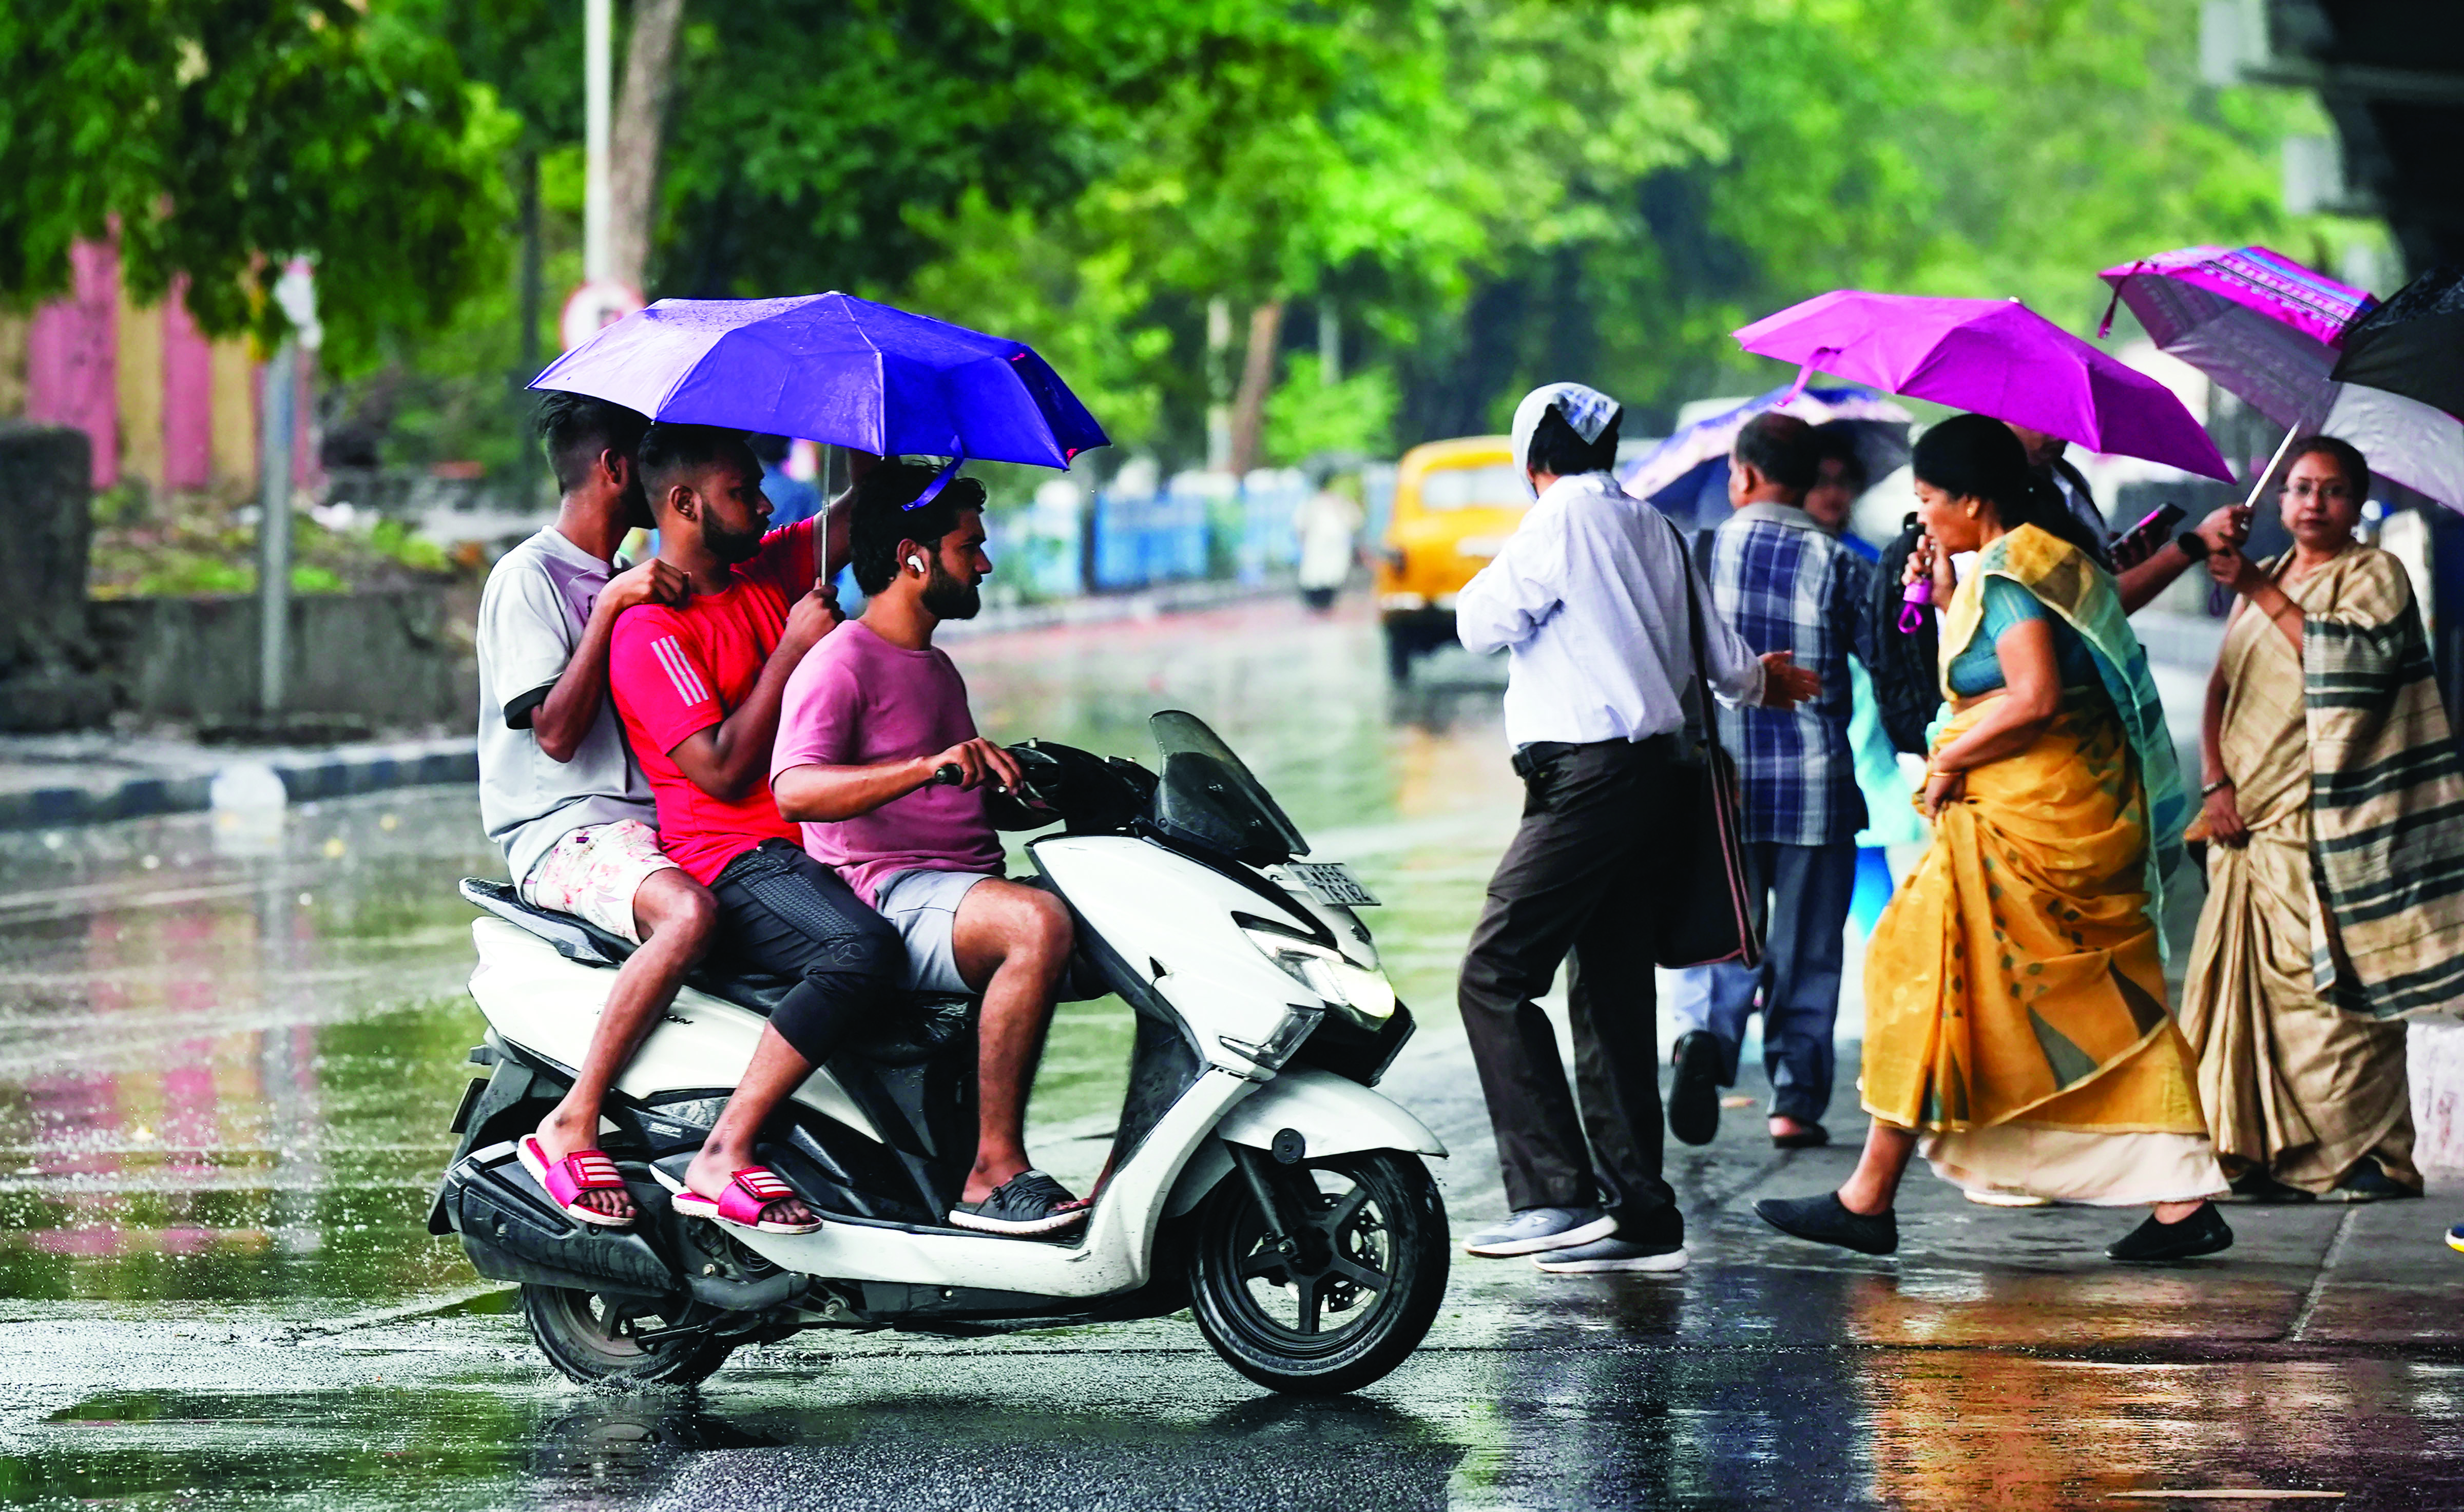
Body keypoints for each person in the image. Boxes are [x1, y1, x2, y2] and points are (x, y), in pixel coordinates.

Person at [1755, 414, 2232, 1264]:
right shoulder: (2039, 563)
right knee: (2037, 994)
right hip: (2048, 819)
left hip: (2029, 825)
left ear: (1971, 500)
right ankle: (2176, 1197)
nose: (1924, 514)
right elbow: (2005, 672)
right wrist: (1946, 604)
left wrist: (1949, 760)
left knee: (1953, 975)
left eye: (1931, 498)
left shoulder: (2014, 574)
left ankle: (1874, 1196)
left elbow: (2035, 694)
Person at [1452, 382, 1820, 1274]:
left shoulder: (1556, 522)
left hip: (1587, 781)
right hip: (1655, 778)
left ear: (1531, 458)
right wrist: (1770, 678)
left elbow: (1476, 625)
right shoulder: (1654, 526)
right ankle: (1641, 1210)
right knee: (1609, 990)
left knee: (1494, 975)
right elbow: (1732, 669)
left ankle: (1554, 1196)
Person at [770, 462, 1090, 1235]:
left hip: (959, 889)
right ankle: (992, 1171)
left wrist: (1015, 793)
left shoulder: (936, 667)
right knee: (1036, 924)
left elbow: (944, 794)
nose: (984, 563)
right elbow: (795, 789)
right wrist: (926, 765)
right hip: (889, 896)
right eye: (969, 546)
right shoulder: (840, 660)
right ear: (915, 555)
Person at [606, 422, 904, 1235]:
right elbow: (719, 769)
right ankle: (724, 1151)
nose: (766, 503)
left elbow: (865, 507)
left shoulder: (774, 567)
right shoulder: (649, 630)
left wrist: (856, 415)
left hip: (816, 841)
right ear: (683, 503)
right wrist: (791, 651)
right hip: (734, 859)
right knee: (864, 951)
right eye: (743, 492)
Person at [2177, 436, 2464, 1203]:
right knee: (2254, 999)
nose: (2313, 502)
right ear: (2278, 500)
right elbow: (2222, 690)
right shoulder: (2263, 576)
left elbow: (2356, 667)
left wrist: (2260, 593)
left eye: (2332, 490)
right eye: (2300, 487)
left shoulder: (2375, 574)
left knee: (2336, 996)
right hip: (2249, 821)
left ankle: (2368, 1154)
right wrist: (2216, 783)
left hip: (2332, 821)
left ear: (2356, 501)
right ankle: (2262, 1147)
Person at [475, 393, 718, 1228]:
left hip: (648, 824)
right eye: (644, 460)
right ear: (615, 469)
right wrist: (612, 608)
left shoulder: (630, 579)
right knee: (685, 917)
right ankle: (572, 1120)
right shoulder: (531, 577)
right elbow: (553, 731)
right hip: (566, 831)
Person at [1665, 414, 1871, 1152]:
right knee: (1810, 948)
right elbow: (1884, 659)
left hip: (1724, 789)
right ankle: (1794, 1101)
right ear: (1813, 479)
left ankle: (1704, 1041)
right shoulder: (1842, 562)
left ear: (1744, 475)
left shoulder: (1699, 551)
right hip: (1819, 786)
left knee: (1725, 937)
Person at [2006, 424, 2248, 614]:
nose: (2060, 435)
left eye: (2067, 419)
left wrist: (2114, 564)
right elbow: (2088, 610)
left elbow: (2100, 587)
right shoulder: (2000, 496)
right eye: (2047, 419)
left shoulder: (2069, 478)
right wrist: (2193, 545)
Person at [1294, 477, 1364, 611]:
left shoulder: (1340, 503)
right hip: (1317, 544)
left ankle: (1326, 602)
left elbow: (1355, 520)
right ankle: (1316, 602)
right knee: (1315, 573)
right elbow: (1302, 524)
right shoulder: (1313, 503)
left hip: (1335, 545)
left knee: (1332, 573)